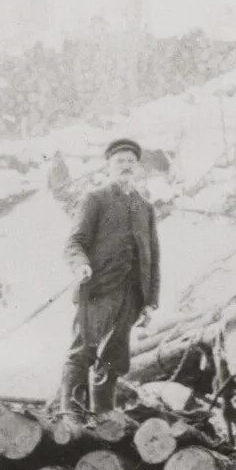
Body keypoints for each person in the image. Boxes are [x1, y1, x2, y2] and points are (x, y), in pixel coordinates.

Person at [60, 138, 160, 416]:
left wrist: (150, 301)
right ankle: (70, 417)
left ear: (137, 166)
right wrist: (80, 265)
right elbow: (74, 243)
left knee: (115, 358)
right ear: (109, 165)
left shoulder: (145, 208)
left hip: (130, 296)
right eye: (120, 161)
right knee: (83, 351)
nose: (126, 166)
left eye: (130, 161)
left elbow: (153, 259)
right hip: (98, 289)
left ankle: (104, 419)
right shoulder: (96, 198)